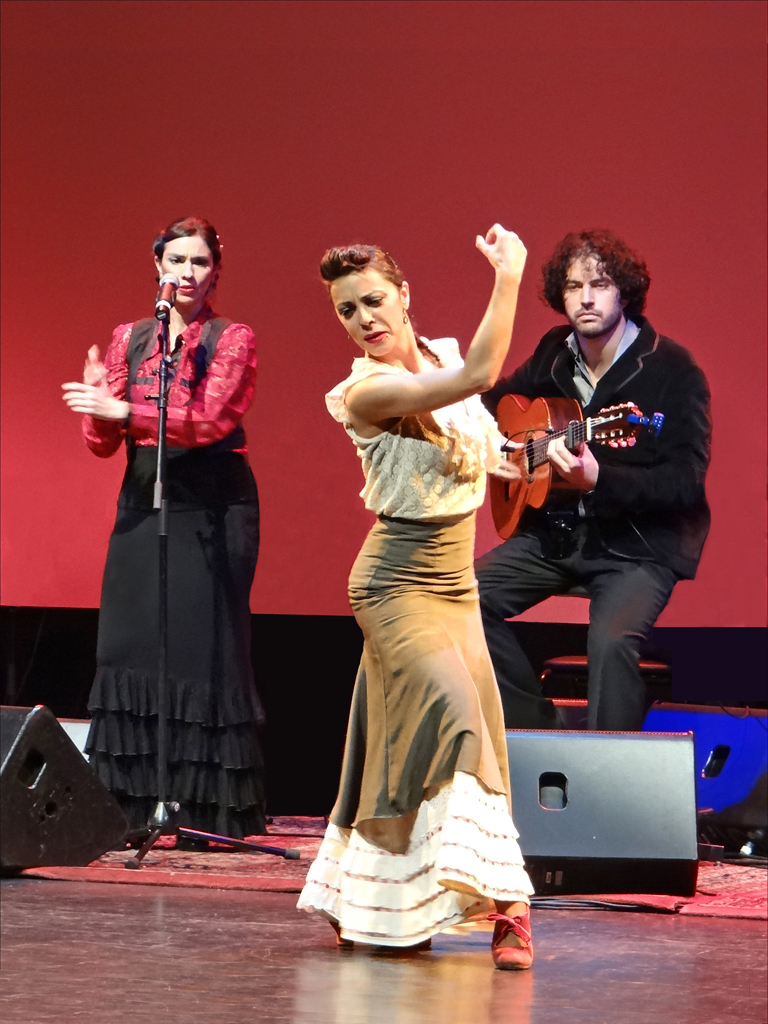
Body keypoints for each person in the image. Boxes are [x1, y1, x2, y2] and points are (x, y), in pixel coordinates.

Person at [297, 226, 535, 970]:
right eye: (346, 310)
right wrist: (510, 276)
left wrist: (559, 460)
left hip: (456, 584)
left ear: (403, 297)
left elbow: (496, 455)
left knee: (421, 750)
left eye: (373, 300)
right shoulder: (365, 392)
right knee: (458, 725)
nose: (364, 318)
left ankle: (394, 903)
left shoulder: (438, 354)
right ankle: (506, 902)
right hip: (395, 583)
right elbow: (482, 373)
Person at [61, 216, 266, 843]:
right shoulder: (132, 336)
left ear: (215, 273)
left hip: (211, 503)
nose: (186, 272)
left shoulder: (233, 338)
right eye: (175, 259)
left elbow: (207, 421)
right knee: (128, 645)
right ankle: (128, 803)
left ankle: (206, 811)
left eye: (199, 262)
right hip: (142, 497)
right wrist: (100, 405)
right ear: (157, 265)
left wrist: (124, 408)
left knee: (203, 650)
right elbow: (104, 444)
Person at [476, 230, 711, 731]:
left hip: (637, 547)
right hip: (557, 536)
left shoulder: (673, 369)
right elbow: (493, 404)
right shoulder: (552, 353)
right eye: (572, 286)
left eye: (599, 284)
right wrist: (500, 450)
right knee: (459, 599)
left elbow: (684, 483)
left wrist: (598, 478)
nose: (585, 298)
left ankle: (608, 773)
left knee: (611, 641)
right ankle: (540, 731)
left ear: (623, 291)